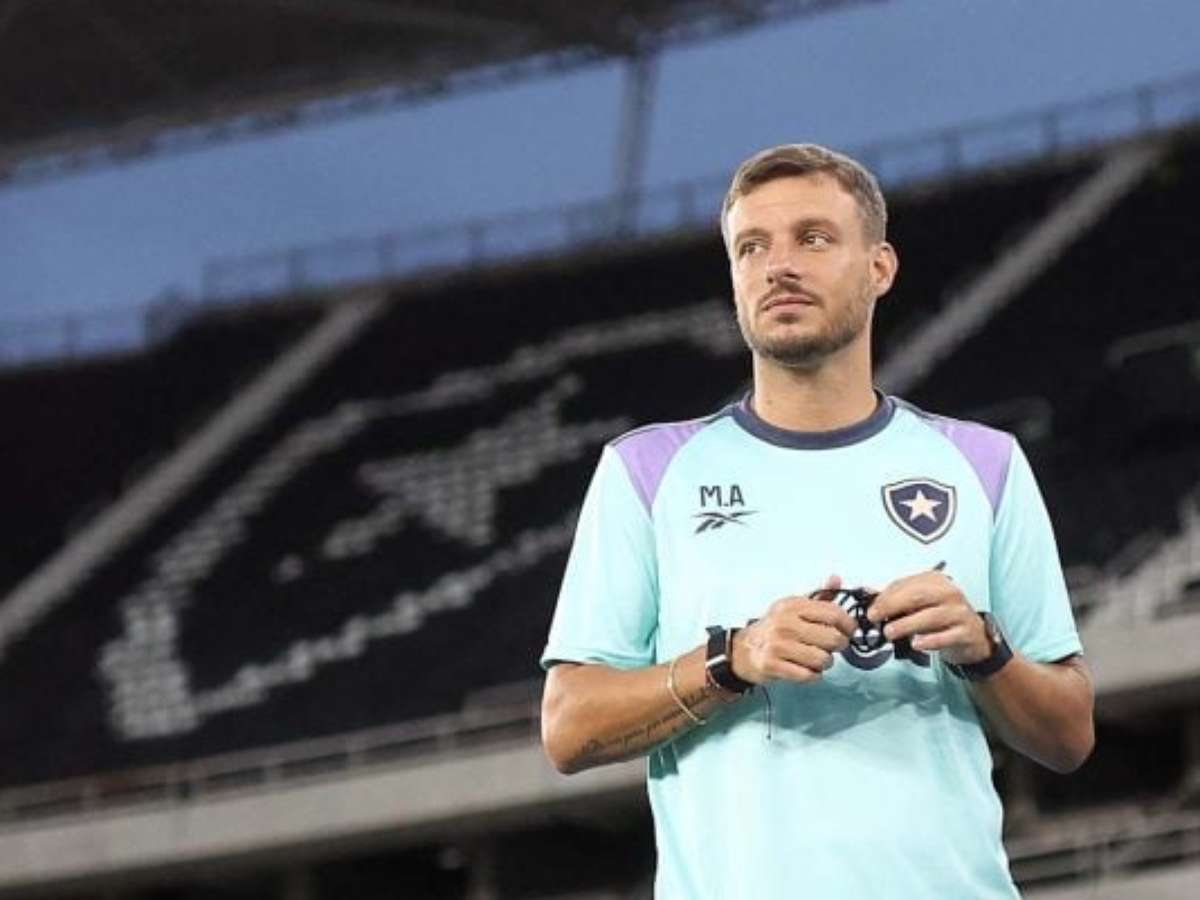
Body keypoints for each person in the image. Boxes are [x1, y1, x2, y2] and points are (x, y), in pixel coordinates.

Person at [539, 143, 1094, 898]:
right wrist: (733, 659)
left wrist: (985, 650)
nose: (778, 266)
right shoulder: (647, 471)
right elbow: (569, 727)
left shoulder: (983, 463)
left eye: (813, 238)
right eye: (751, 247)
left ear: (880, 267)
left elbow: (1069, 736)